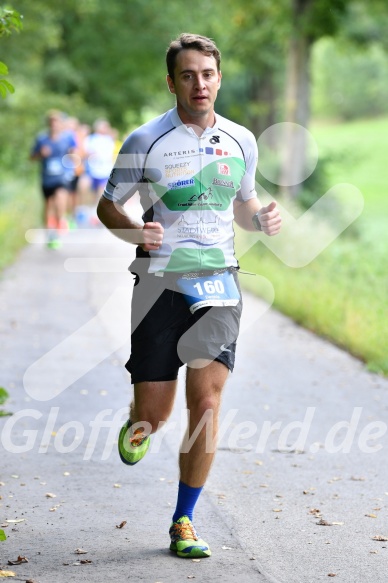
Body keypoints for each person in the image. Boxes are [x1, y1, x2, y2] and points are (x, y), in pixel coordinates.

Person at [97, 33, 281, 558]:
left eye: (207, 74)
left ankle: (184, 520)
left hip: (219, 280)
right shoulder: (145, 140)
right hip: (159, 285)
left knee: (207, 401)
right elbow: (108, 207)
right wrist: (136, 232)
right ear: (172, 81)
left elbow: (242, 206)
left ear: (218, 77)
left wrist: (262, 218)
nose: (199, 84)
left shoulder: (242, 139)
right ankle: (140, 421)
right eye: (187, 75)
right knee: (155, 415)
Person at [30, 110, 76, 248]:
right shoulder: (41, 139)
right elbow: (31, 157)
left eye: (57, 122)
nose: (54, 125)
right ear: (48, 124)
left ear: (61, 124)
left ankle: (59, 224)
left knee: (60, 199)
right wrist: (40, 153)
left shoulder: (67, 138)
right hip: (46, 177)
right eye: (52, 123)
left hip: (61, 177)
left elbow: (74, 154)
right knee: (48, 205)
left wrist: (72, 162)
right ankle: (49, 234)